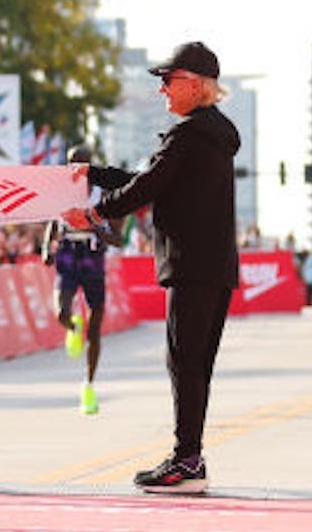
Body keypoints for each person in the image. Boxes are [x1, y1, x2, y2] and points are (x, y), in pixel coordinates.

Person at [66, 40, 238, 496]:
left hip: (192, 264)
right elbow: (156, 182)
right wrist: (98, 175)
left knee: (185, 361)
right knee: (194, 362)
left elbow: (150, 185)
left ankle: (187, 461)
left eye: (169, 81)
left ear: (197, 85)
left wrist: (94, 214)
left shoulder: (189, 136)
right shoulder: (209, 136)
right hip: (212, 264)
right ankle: (189, 457)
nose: (162, 90)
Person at [42, 143, 131, 415]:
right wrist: (47, 248)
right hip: (68, 253)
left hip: (93, 256)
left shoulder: (104, 194)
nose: (75, 169)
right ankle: (71, 325)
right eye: (71, 163)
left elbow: (117, 238)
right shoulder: (61, 194)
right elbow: (52, 223)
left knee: (96, 328)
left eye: (81, 163)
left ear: (91, 166)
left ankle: (88, 385)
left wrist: (93, 225)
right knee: (61, 311)